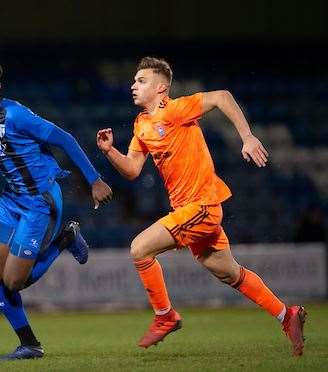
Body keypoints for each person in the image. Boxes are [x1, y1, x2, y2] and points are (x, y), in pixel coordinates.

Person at [96, 57, 306, 356]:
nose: (133, 85)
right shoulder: (141, 124)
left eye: (141, 81)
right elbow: (131, 170)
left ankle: (165, 315)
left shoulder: (176, 109)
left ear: (161, 88)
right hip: (190, 210)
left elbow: (222, 96)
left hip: (202, 204)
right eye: (134, 80)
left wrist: (247, 137)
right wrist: (109, 151)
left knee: (139, 249)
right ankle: (288, 315)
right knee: (228, 272)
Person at [0, 57, 113, 360]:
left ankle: (64, 239)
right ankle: (29, 343)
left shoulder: (16, 114)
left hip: (39, 201)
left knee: (14, 282)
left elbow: (64, 139)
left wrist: (95, 179)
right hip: (9, 200)